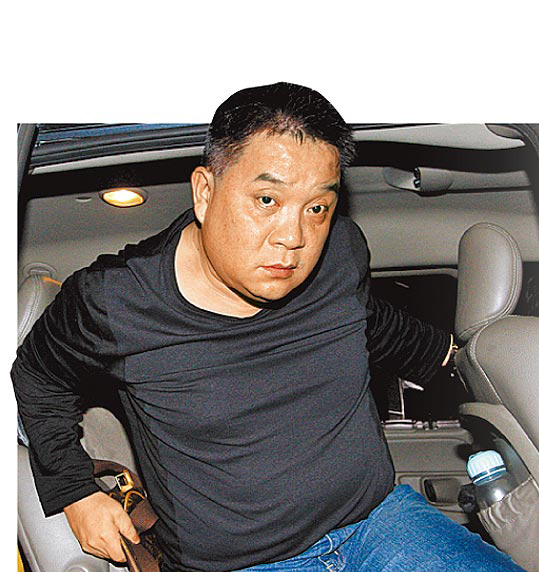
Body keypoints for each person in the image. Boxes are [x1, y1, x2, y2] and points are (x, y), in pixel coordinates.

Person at [12, 83, 522, 571]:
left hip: (383, 524)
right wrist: (75, 492)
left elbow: (371, 324)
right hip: (239, 564)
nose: (293, 237)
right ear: (205, 192)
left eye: (317, 208)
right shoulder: (116, 299)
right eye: (267, 201)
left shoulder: (341, 252)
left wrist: (463, 360)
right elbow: (37, 377)